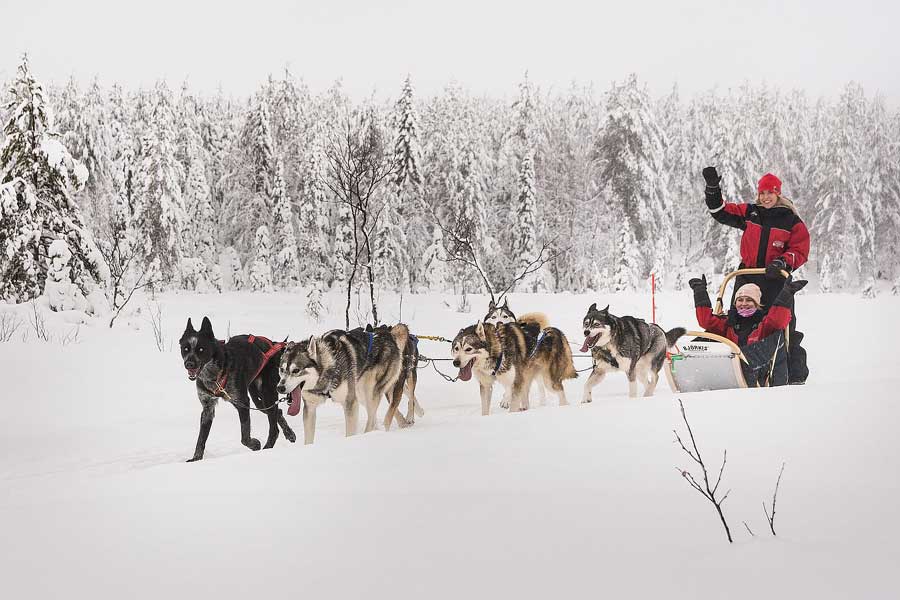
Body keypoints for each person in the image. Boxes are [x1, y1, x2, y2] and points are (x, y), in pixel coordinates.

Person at [702, 167, 810, 384]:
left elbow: (800, 250)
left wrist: (783, 261)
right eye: (762, 193)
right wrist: (713, 188)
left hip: (775, 277)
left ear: (778, 193)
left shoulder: (791, 221)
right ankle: (730, 365)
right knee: (736, 321)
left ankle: (791, 374)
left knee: (780, 323)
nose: (765, 197)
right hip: (747, 276)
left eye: (770, 192)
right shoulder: (750, 212)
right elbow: (720, 212)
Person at [688, 275, 807, 387]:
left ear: (757, 303)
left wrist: (787, 293)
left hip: (757, 372)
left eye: (749, 300)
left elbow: (778, 320)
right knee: (708, 337)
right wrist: (699, 292)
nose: (744, 304)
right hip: (728, 372)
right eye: (740, 300)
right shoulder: (728, 323)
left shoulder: (764, 324)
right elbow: (706, 321)